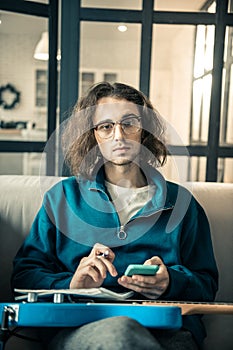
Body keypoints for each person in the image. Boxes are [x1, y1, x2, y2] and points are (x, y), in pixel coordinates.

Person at [12, 82, 218, 350]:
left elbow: (207, 284)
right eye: (106, 126)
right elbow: (24, 275)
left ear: (144, 131)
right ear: (93, 135)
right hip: (82, 329)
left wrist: (171, 282)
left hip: (166, 333)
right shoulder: (62, 198)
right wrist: (72, 284)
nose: (118, 135)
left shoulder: (182, 204)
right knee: (119, 334)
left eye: (129, 123)